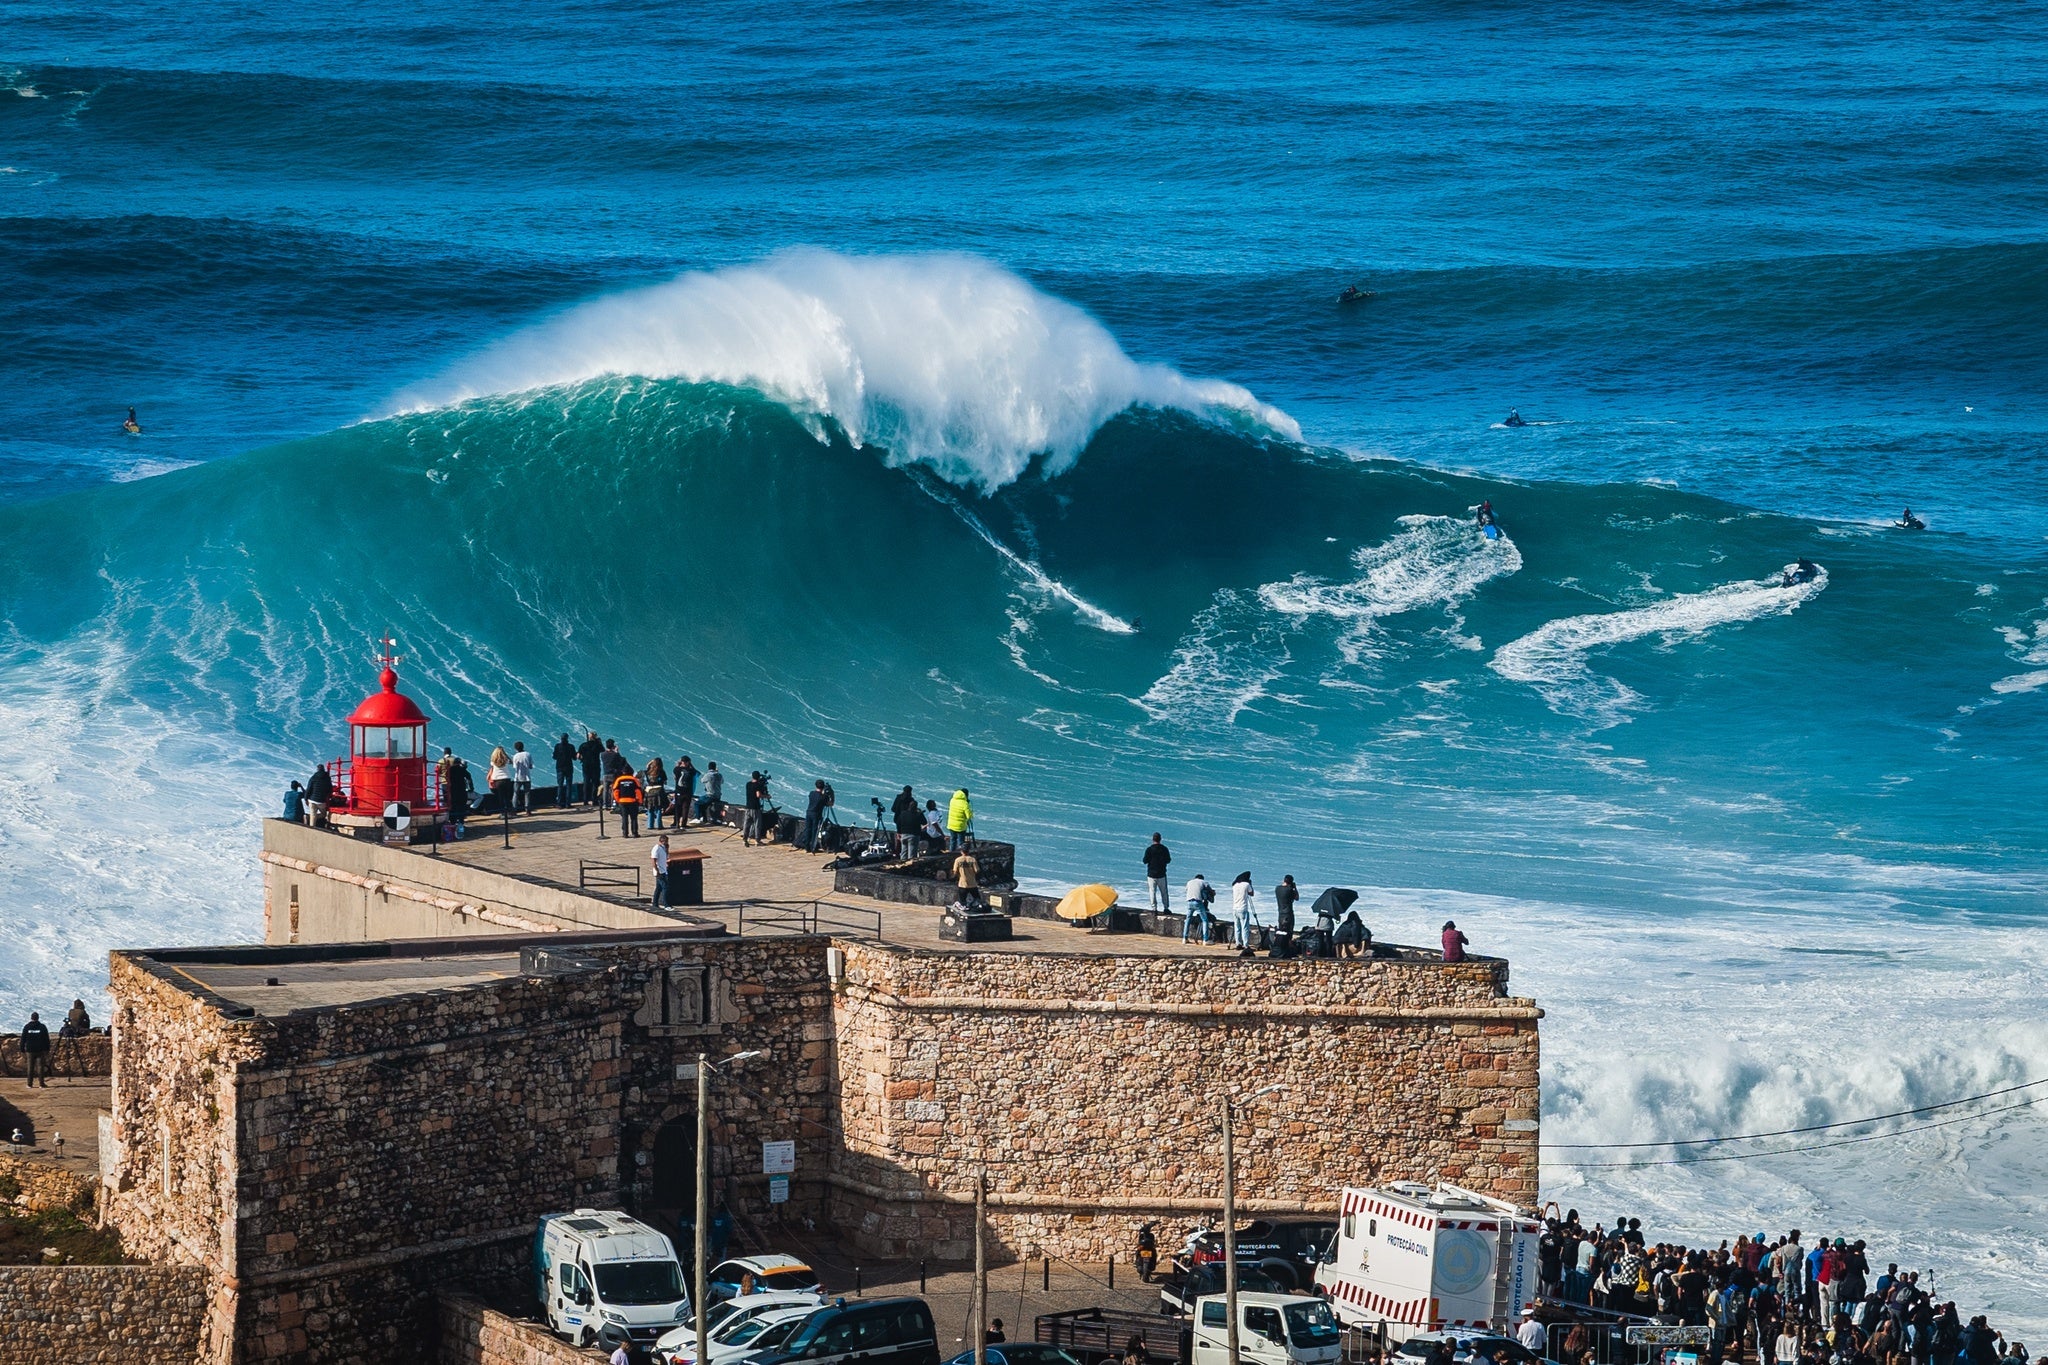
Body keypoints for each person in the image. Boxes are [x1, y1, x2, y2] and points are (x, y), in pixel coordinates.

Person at [1142, 834, 1172, 915]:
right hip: (1162, 873)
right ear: (1160, 839)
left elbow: (1145, 861)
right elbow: (1168, 860)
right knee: (1164, 892)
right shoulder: (1164, 849)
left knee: (1152, 892)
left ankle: (1154, 909)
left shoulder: (1149, 849)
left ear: (1153, 839)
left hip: (1151, 874)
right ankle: (1166, 908)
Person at [19, 1012, 50, 1088]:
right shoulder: (42, 1027)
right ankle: (41, 1084)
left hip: (30, 1050)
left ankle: (29, 1084)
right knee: (40, 1067)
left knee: (30, 1067)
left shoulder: (27, 1027)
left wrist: (22, 1049)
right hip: (40, 1050)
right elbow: (46, 1039)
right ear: (38, 1018)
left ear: (31, 1018)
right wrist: (47, 1049)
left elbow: (23, 1039)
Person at [1183, 873, 1216, 945]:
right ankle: (1205, 939)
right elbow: (1210, 891)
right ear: (1202, 878)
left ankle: (1184, 938)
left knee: (1188, 919)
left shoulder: (1189, 882)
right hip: (1198, 902)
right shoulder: (1203, 882)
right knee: (1204, 920)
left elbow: (1186, 890)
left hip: (1189, 902)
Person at [612, 767, 644, 839]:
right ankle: (635, 833)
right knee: (634, 818)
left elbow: (615, 791)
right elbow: (638, 791)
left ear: (623, 772)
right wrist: (640, 801)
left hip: (622, 801)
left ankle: (625, 833)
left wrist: (618, 800)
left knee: (624, 818)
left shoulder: (619, 780)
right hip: (632, 801)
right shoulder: (634, 780)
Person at [1230, 872, 1258, 950]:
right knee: (1245, 927)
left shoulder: (1235, 885)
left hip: (1235, 908)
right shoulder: (1246, 884)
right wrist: (1250, 884)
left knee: (1237, 927)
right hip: (1243, 908)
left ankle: (1238, 943)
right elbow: (1251, 894)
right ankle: (1245, 945)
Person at [891, 785, 921, 857]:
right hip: (908, 820)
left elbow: (893, 809)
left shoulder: (898, 797)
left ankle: (897, 853)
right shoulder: (911, 799)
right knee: (906, 834)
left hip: (898, 819)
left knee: (899, 836)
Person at [1272, 874, 1298, 954]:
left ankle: (1281, 948)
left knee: (1281, 932)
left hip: (1280, 913)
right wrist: (1294, 888)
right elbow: (1296, 898)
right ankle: (1287, 949)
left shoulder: (1277, 888)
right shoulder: (1290, 889)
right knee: (1289, 932)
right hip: (1288, 913)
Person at [803, 780, 830, 852]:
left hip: (808, 813)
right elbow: (830, 804)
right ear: (823, 787)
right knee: (814, 831)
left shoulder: (811, 793)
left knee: (808, 829)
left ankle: (806, 846)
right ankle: (813, 847)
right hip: (816, 815)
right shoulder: (823, 797)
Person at [485, 746, 513, 816]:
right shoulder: (506, 760)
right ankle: (510, 812)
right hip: (507, 779)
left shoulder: (493, 762)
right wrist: (505, 754)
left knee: (501, 797)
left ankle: (503, 813)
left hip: (498, 780)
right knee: (507, 797)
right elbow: (511, 762)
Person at [577, 731, 603, 807]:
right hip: (595, 766)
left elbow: (578, 756)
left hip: (586, 766)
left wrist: (584, 758)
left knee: (586, 783)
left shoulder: (583, 745)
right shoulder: (598, 745)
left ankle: (585, 800)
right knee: (595, 783)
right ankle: (594, 800)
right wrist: (599, 742)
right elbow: (603, 750)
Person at [552, 733, 577, 809]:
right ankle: (567, 804)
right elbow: (574, 758)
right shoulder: (571, 746)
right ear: (567, 738)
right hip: (569, 767)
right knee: (568, 785)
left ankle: (559, 803)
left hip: (560, 767)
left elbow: (554, 757)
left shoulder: (557, 746)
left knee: (560, 785)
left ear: (561, 738)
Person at [643, 756, 668, 830]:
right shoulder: (662, 772)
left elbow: (647, 766)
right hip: (659, 791)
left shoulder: (648, 771)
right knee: (659, 808)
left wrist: (651, 761)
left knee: (650, 808)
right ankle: (659, 825)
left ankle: (650, 825)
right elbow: (665, 782)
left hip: (649, 791)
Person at [674, 756, 698, 829]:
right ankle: (683, 824)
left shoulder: (677, 769)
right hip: (687, 792)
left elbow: (675, 771)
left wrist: (678, 764)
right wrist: (691, 765)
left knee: (678, 808)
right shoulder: (691, 771)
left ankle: (677, 823)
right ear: (688, 762)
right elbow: (696, 772)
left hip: (678, 792)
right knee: (685, 808)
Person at [510, 741, 534, 815]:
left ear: (516, 748)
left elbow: (514, 767)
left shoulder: (515, 756)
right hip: (527, 777)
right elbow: (531, 766)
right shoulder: (528, 754)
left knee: (515, 793)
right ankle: (527, 810)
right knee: (527, 793)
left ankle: (514, 810)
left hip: (518, 778)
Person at [651, 834, 670, 911]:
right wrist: (656, 870)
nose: (666, 843)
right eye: (665, 842)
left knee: (658, 888)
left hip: (663, 870)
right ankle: (666, 905)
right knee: (665, 887)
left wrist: (667, 849)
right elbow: (653, 860)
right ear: (661, 841)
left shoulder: (663, 848)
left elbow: (667, 856)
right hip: (659, 871)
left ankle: (655, 903)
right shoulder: (656, 848)